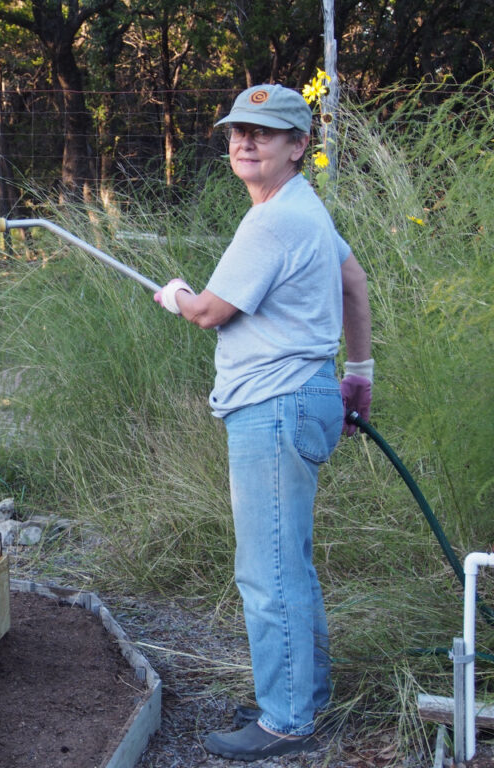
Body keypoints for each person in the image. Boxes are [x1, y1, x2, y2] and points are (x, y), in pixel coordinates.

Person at [153, 83, 374, 761]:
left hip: (275, 407)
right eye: (237, 132)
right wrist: (359, 371)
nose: (245, 142)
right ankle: (301, 697)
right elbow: (354, 282)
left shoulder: (274, 219)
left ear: (298, 147)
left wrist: (176, 295)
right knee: (289, 564)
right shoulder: (306, 209)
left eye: (265, 133)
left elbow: (212, 312)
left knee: (268, 569)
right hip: (299, 398)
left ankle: (285, 720)